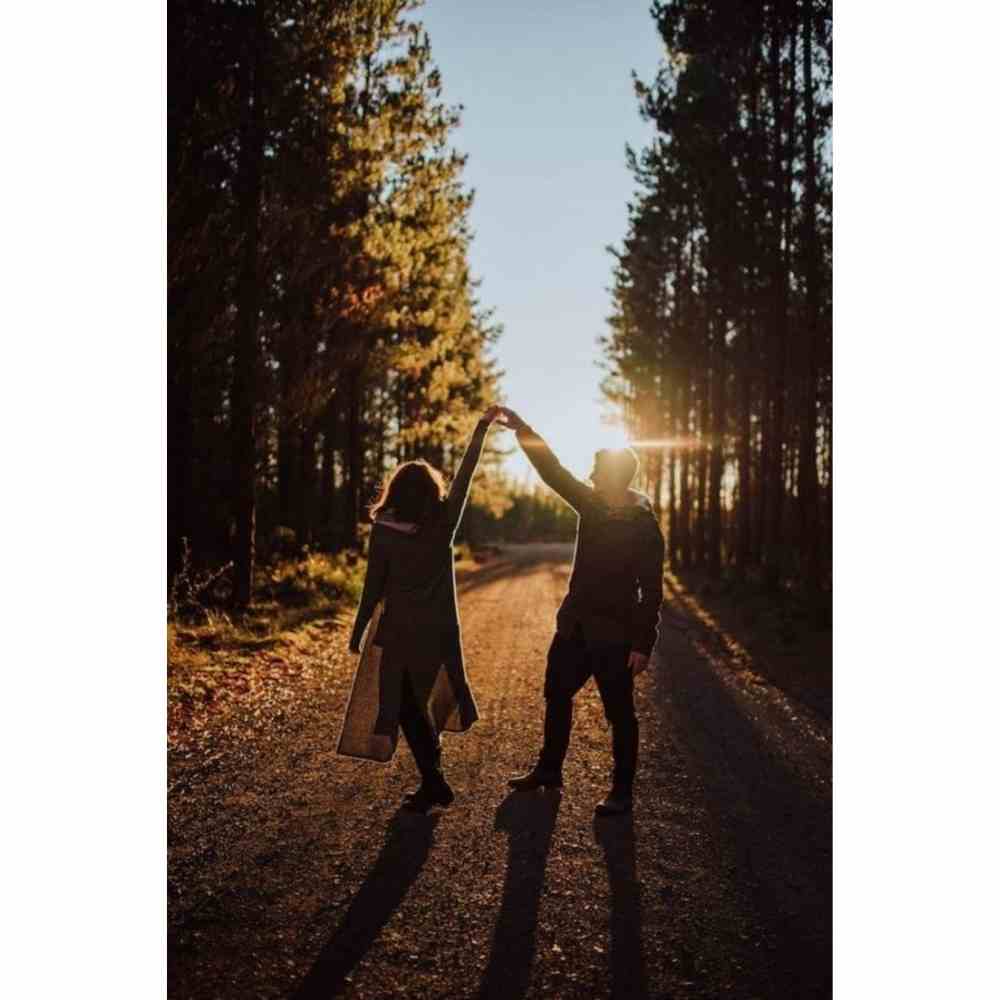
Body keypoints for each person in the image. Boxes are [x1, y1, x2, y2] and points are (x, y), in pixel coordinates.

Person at [500, 406, 665, 816]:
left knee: (620, 714)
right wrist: (523, 429)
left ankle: (621, 793)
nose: (589, 476)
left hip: (615, 634)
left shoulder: (644, 526)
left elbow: (652, 589)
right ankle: (549, 770)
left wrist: (643, 644)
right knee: (556, 693)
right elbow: (551, 470)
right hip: (574, 626)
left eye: (596, 469)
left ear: (611, 477)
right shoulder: (591, 505)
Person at [337, 406, 503, 813]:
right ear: (431, 492)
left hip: (398, 634)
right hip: (438, 633)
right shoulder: (442, 524)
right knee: (420, 704)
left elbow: (373, 585)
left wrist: (359, 630)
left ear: (394, 491)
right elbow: (464, 478)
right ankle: (434, 783)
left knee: (407, 708)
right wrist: (481, 428)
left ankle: (434, 783)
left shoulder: (384, 530)